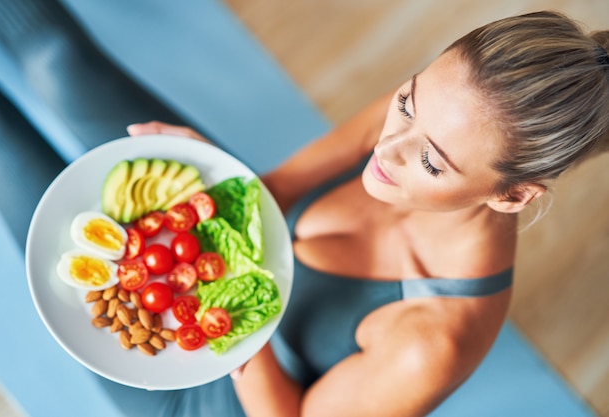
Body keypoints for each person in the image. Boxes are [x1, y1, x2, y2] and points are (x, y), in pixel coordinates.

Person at [125, 10, 609, 417]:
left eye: (428, 161)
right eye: (406, 102)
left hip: (214, 391)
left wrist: (224, 300)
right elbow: (278, 189)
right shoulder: (437, 114)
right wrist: (219, 182)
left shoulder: (432, 345)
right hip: (191, 273)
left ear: (511, 196)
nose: (388, 146)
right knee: (55, 57)